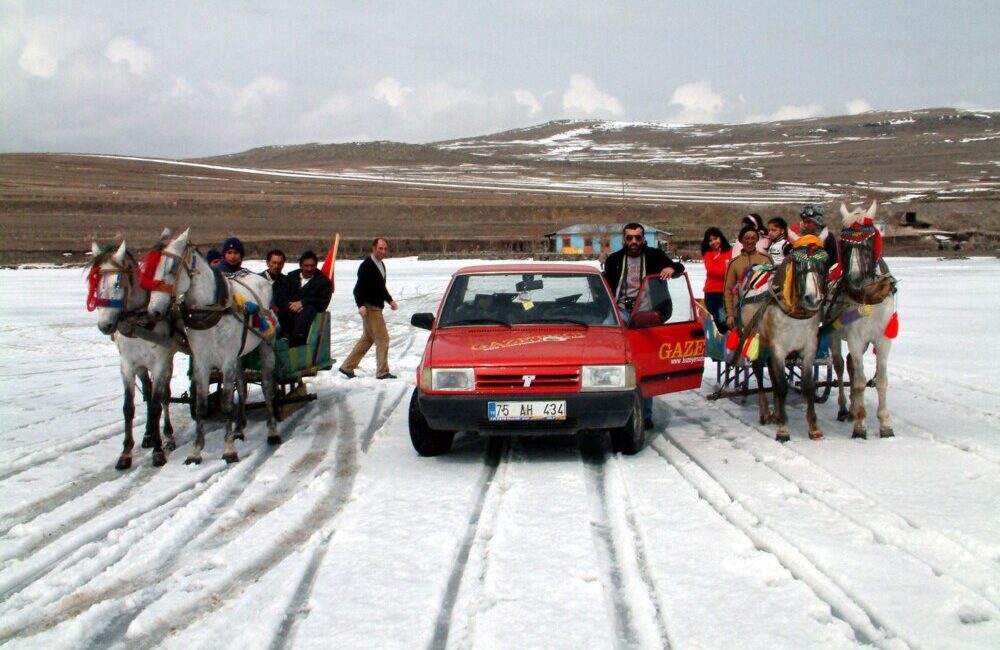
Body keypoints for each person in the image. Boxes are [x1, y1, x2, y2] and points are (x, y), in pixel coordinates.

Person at [603, 222, 685, 429]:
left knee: (644, 364)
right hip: (620, 311)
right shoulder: (614, 260)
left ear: (643, 239)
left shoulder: (655, 256)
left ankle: (645, 414)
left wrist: (670, 268)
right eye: (629, 238)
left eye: (637, 238)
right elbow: (605, 287)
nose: (633, 242)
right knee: (606, 349)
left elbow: (679, 268)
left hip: (646, 313)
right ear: (623, 239)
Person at [339, 238, 398, 380]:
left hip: (377, 305)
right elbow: (357, 289)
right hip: (370, 308)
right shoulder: (366, 266)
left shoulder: (381, 265)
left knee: (367, 339)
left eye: (385, 249)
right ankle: (382, 372)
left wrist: (390, 300)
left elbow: (380, 288)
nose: (383, 251)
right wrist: (360, 305)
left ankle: (347, 366)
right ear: (373, 248)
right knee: (383, 339)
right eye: (380, 248)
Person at [724, 225, 773, 333]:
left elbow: (773, 285)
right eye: (747, 238)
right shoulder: (734, 263)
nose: (750, 241)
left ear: (757, 240)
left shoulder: (766, 259)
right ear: (741, 240)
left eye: (753, 238)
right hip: (741, 313)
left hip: (764, 312)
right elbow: (728, 290)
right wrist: (730, 314)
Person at [283, 250, 332, 347]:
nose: (309, 269)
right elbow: (282, 296)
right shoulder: (290, 278)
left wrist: (303, 303)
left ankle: (297, 338)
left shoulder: (323, 282)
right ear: (301, 265)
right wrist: (291, 306)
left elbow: (323, 302)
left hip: (308, 320)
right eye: (306, 266)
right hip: (288, 314)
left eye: (312, 266)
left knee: (309, 309)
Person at [700, 227, 733, 333]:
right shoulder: (708, 254)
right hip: (712, 292)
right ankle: (723, 344)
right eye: (710, 240)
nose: (713, 242)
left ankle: (731, 343)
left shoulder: (731, 251)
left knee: (729, 319)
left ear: (721, 237)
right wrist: (729, 273)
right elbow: (711, 270)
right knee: (719, 320)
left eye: (715, 238)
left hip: (728, 292)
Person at [798, 204, 841, 279]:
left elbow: (833, 261)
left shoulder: (828, 237)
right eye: (804, 222)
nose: (805, 225)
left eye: (809, 222)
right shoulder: (801, 239)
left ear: (817, 223)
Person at [260, 249, 289, 332]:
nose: (276, 266)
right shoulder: (257, 280)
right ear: (268, 263)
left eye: (280, 263)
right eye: (274, 262)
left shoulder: (287, 282)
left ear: (283, 265)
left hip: (281, 324)